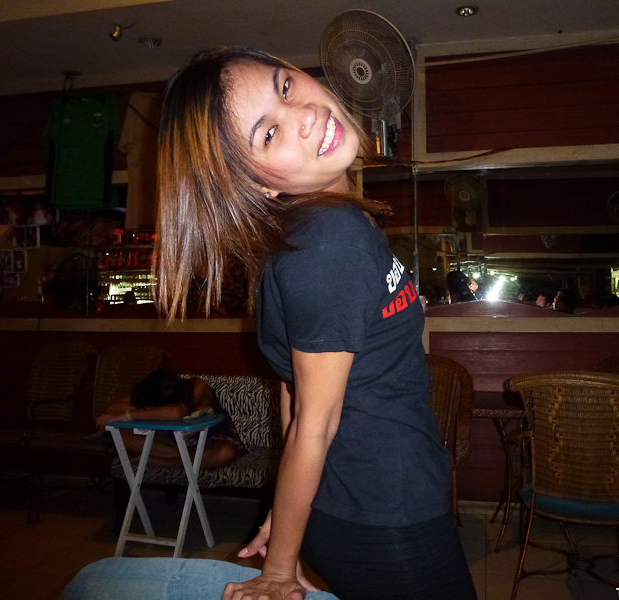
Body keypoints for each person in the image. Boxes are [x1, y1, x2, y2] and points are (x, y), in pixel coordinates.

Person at [153, 47, 476, 600]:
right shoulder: (330, 242)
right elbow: (314, 424)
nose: (302, 114)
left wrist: (289, 516)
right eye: (268, 134)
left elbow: (292, 390)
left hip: (350, 501)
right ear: (258, 185)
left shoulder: (316, 227)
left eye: (284, 86)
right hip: (386, 510)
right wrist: (280, 569)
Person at [95, 369, 241, 469]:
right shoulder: (155, 391)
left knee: (226, 452)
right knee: (123, 438)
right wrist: (147, 409)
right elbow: (112, 407)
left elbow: (176, 413)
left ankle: (167, 462)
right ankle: (186, 458)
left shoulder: (197, 386)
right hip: (175, 442)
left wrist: (129, 415)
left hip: (211, 439)